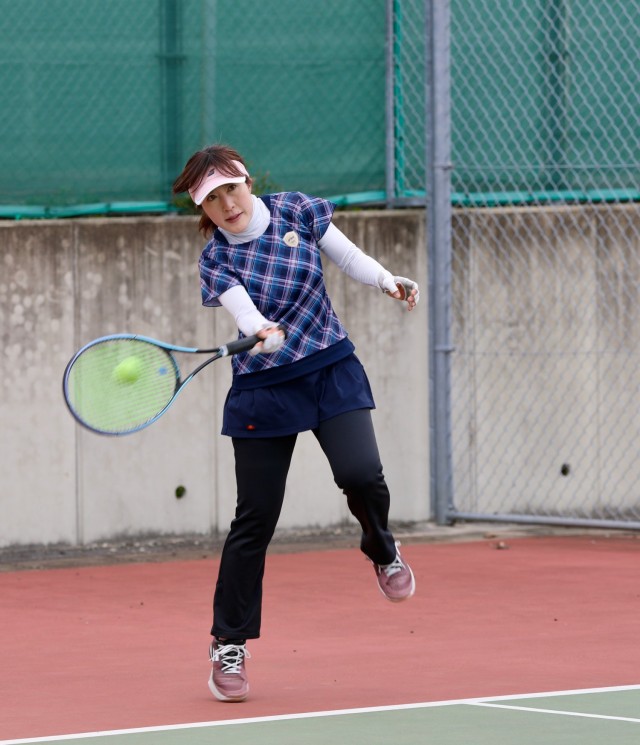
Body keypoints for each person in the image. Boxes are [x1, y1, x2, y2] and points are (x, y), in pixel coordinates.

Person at [172, 144, 419, 703]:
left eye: (231, 189)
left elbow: (348, 257)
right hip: (263, 392)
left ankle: (382, 550)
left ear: (247, 182)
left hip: (330, 366)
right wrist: (261, 328)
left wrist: (387, 280)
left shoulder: (296, 211)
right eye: (212, 200)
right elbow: (243, 312)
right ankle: (228, 645)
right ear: (202, 210)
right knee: (255, 519)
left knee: (362, 475)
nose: (227, 205)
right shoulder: (217, 259)